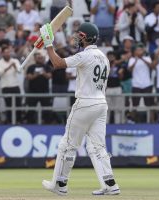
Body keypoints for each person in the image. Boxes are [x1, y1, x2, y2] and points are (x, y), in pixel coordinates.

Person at [39, 22, 120, 195]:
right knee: (98, 147)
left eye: (79, 36)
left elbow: (58, 63)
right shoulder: (103, 56)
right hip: (100, 103)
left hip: (85, 102)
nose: (76, 38)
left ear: (85, 37)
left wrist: (48, 43)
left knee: (67, 145)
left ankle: (60, 184)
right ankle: (110, 184)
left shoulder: (85, 55)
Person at [0, 46, 22, 123]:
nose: (7, 54)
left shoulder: (15, 61)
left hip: (15, 85)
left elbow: (20, 71)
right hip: (5, 86)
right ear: (2, 53)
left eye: (8, 52)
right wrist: (9, 66)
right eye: (5, 52)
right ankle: (10, 121)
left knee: (18, 104)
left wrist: (15, 67)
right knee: (9, 105)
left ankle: (18, 120)